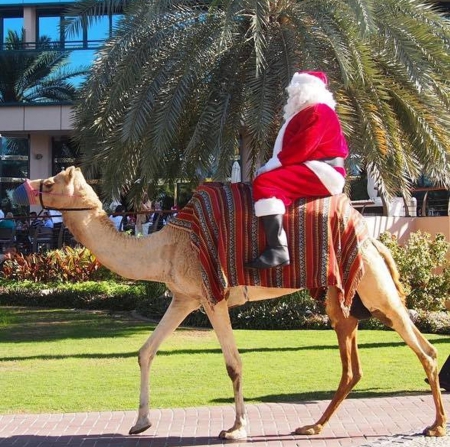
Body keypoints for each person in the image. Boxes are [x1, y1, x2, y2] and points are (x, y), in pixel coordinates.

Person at [246, 71, 349, 269]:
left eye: (295, 91)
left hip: (322, 171)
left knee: (266, 183)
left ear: (306, 90)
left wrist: (271, 165)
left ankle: (277, 248)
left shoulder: (318, 111)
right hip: (314, 168)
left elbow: (302, 147)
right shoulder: (309, 111)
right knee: (268, 179)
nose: (292, 95)